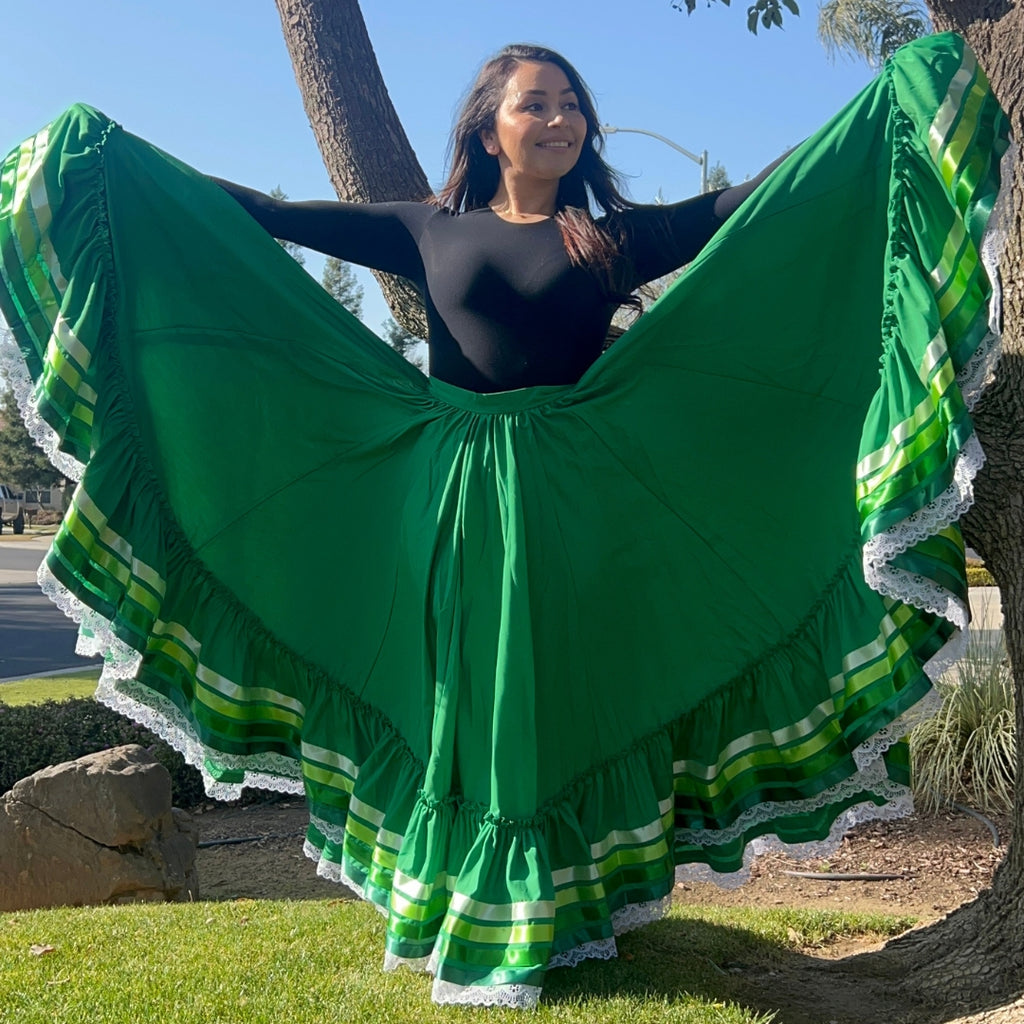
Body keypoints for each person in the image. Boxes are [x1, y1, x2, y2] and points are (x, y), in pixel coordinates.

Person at [0, 33, 1009, 1009]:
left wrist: (880, 110)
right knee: (459, 701)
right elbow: (266, 215)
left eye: (572, 105)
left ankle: (554, 913)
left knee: (553, 698)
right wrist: (120, 161)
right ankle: (465, 908)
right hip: (446, 498)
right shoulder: (424, 225)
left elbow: (742, 205)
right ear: (490, 127)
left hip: (574, 501)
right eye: (539, 103)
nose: (561, 119)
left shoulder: (613, 237)